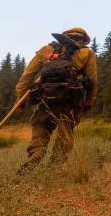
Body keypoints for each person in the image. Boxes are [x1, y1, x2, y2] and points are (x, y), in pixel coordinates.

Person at [15, 28, 97, 172]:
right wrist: (88, 103)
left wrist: (19, 101)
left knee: (40, 125)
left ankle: (37, 152)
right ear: (83, 39)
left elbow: (26, 77)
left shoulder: (46, 50)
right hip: (71, 102)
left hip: (47, 100)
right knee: (66, 132)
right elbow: (92, 81)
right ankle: (55, 165)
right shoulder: (87, 53)